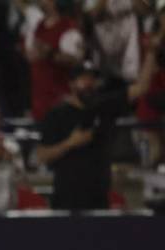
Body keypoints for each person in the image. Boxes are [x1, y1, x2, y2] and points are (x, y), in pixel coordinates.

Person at [36, 57, 155, 210]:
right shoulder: (56, 114)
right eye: (84, 79)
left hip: (99, 198)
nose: (89, 83)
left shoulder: (104, 106)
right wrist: (70, 143)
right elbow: (42, 155)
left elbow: (141, 88)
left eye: (92, 79)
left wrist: (151, 52)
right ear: (72, 83)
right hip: (67, 200)